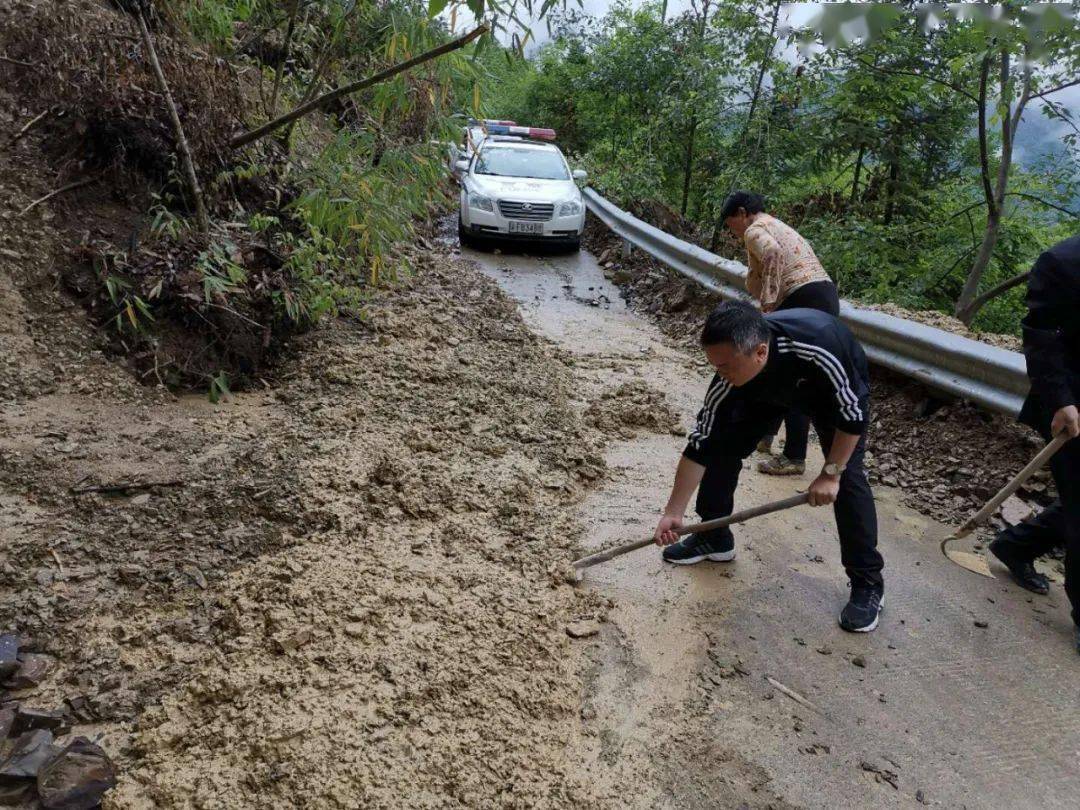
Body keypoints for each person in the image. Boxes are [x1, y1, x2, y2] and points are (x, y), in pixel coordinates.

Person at [653, 300, 885, 632]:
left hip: (828, 393)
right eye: (714, 366)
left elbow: (853, 416)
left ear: (759, 352)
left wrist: (830, 472)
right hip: (763, 390)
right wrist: (674, 511)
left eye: (725, 366)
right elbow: (701, 443)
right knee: (721, 447)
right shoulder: (731, 377)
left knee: (847, 480)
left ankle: (868, 584)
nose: (720, 375)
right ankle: (714, 536)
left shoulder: (819, 346)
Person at [988, 235, 1080, 655]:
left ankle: (1016, 545)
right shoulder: (1062, 261)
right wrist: (1060, 400)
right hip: (1068, 408)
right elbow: (1040, 337)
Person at [720, 191, 839, 477]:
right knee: (779, 365)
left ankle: (794, 456)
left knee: (792, 376)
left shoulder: (755, 229)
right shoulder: (775, 224)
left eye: (729, 223)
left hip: (802, 298)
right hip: (823, 295)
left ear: (741, 213)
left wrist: (769, 305)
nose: (731, 231)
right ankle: (767, 435)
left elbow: (772, 254)